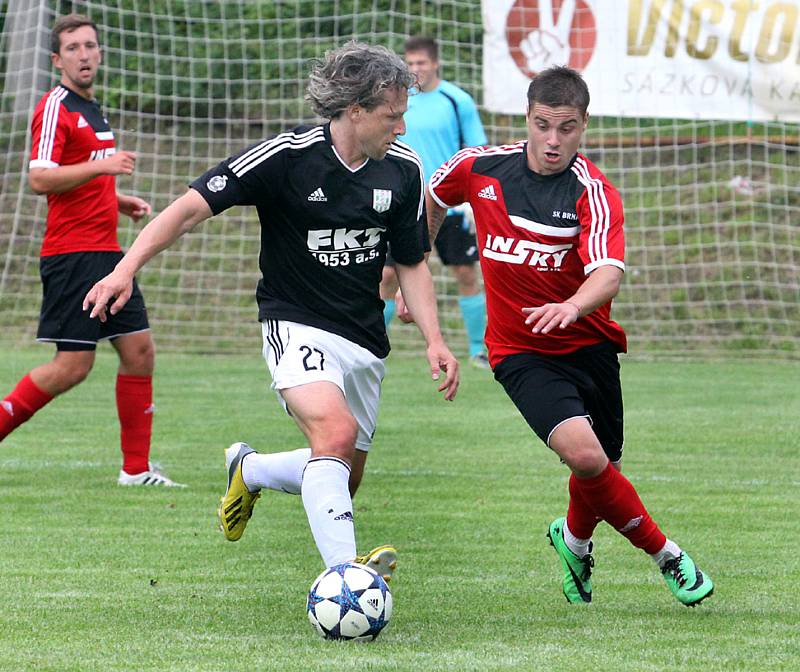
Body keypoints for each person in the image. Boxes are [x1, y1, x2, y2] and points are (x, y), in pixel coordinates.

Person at [83, 42, 459, 580]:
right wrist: (125, 268)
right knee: (333, 434)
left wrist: (434, 339)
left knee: (342, 474)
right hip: (295, 320)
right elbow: (189, 210)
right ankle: (344, 578)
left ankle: (251, 469)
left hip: (363, 338)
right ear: (355, 110)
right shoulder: (285, 157)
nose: (401, 127)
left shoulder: (402, 169)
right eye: (392, 116)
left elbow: (412, 262)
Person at [423, 66, 713, 606]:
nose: (553, 140)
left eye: (567, 128)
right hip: (518, 351)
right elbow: (435, 195)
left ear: (584, 126)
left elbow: (609, 272)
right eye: (543, 125)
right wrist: (415, 258)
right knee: (586, 458)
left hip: (589, 344)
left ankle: (573, 541)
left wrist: (573, 305)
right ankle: (667, 555)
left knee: (604, 470)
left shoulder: (594, 191)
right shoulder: (480, 168)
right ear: (527, 119)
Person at [0, 14, 181, 487]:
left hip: (109, 254)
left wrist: (116, 199)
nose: (84, 54)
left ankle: (136, 470)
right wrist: (103, 167)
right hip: (73, 255)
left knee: (140, 351)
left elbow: (76, 176)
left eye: (90, 46)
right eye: (74, 48)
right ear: (58, 60)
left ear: (100, 53)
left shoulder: (92, 108)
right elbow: (41, 176)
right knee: (71, 367)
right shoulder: (55, 106)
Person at [380, 36, 490, 368]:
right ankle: (372, 344)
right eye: (410, 64)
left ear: (435, 63)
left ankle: (477, 350)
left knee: (464, 272)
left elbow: (477, 151)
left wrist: (474, 200)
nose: (415, 70)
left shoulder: (457, 101)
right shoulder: (398, 101)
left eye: (421, 64)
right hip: (404, 205)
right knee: (385, 276)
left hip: (450, 205)